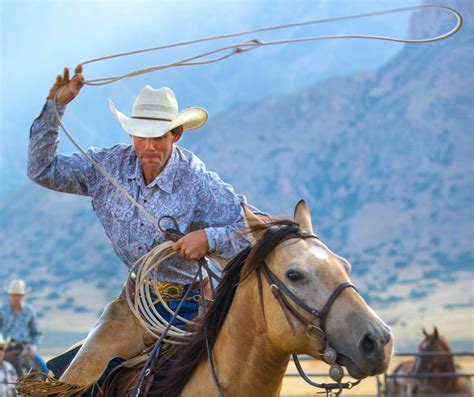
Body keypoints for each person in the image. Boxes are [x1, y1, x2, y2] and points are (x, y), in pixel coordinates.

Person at [27, 65, 264, 386]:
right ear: (131, 134)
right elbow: (44, 170)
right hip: (135, 305)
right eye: (142, 136)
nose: (149, 146)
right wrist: (55, 107)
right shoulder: (107, 168)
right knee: (72, 385)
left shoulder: (196, 180)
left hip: (192, 307)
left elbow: (252, 233)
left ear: (175, 134)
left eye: (159, 136)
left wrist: (209, 238)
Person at [0, 280, 49, 374]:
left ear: (23, 296)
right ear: (10, 295)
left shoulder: (29, 311)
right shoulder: (2, 311)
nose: (16, 297)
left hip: (25, 347)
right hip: (6, 346)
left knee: (45, 369)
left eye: (19, 295)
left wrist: (34, 347)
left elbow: (36, 333)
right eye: (14, 294)